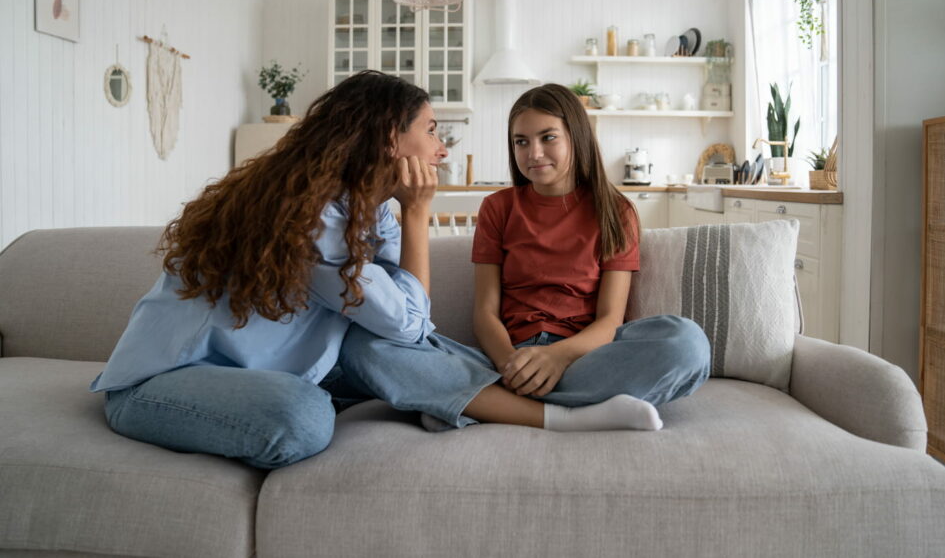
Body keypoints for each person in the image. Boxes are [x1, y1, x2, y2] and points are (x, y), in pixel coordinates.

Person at [92, 72, 664, 470]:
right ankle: (551, 417)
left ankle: (454, 402)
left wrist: (404, 218)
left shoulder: (372, 215)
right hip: (164, 383)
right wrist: (420, 214)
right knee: (306, 419)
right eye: (433, 130)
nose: (441, 149)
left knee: (371, 352)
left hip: (280, 369)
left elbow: (408, 328)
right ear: (393, 139)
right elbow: (407, 323)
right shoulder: (310, 220)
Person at [469, 83, 711, 418]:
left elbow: (610, 319)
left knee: (687, 342)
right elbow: (484, 314)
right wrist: (512, 366)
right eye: (521, 142)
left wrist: (556, 357)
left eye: (548, 137)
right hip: (511, 358)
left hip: (584, 358)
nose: (533, 153)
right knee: (402, 353)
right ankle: (561, 406)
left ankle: (489, 404)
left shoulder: (616, 210)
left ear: (576, 137)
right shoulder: (497, 208)